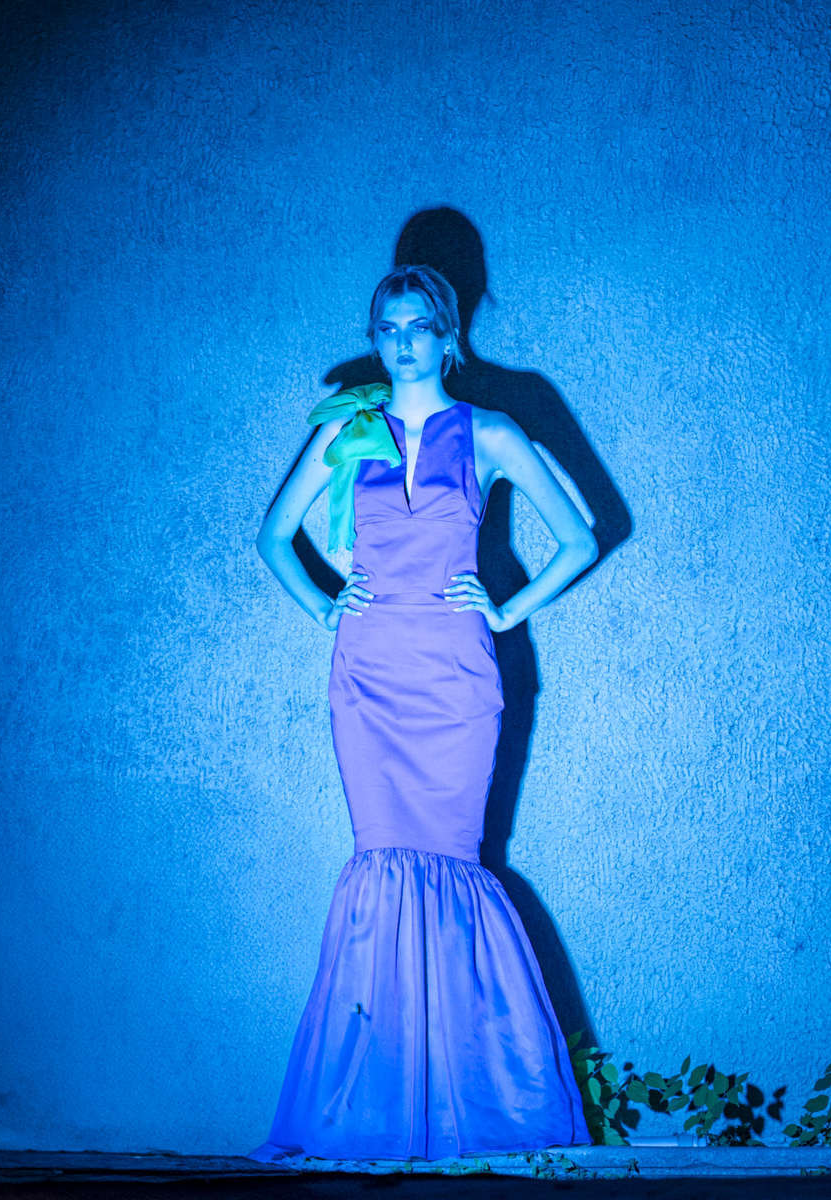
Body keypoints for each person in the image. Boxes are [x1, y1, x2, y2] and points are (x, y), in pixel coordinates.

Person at [250, 264, 599, 1161]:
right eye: (386, 327)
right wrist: (324, 605)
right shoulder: (347, 429)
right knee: (377, 868)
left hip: (454, 676)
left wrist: (508, 609)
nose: (401, 342)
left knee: (452, 867)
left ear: (448, 334)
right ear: (374, 338)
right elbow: (272, 535)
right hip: (368, 674)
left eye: (417, 326)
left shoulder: (490, 431)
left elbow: (581, 537)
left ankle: (480, 1115)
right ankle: (372, 1118)